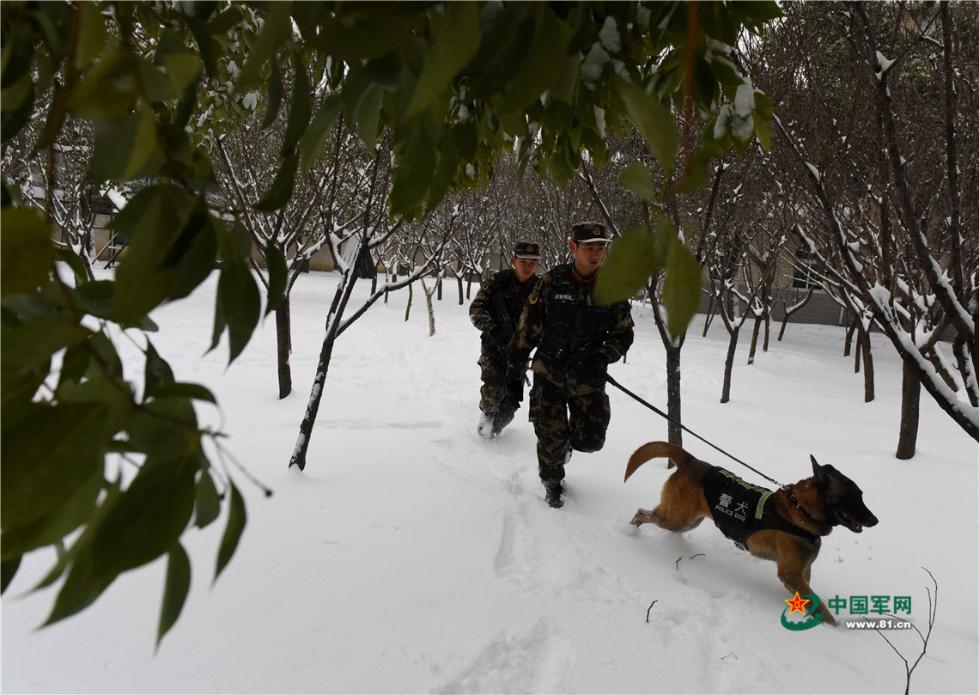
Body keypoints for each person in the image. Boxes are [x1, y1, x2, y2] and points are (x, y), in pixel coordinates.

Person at [507, 222, 634, 508]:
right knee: (549, 437)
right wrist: (515, 361)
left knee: (591, 440)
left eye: (601, 247)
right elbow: (529, 326)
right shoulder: (552, 282)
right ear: (572, 247)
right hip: (550, 372)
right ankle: (552, 483)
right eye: (589, 247)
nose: (596, 253)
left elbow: (624, 332)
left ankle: (567, 445)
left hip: (588, 377)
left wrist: (604, 355)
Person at [469, 240, 542, 438]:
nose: (527, 266)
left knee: (512, 401)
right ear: (514, 261)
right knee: (494, 387)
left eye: (532, 262)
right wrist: (494, 330)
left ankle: (496, 428)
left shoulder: (541, 289)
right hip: (493, 347)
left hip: (519, 352)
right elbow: (476, 310)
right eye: (523, 261)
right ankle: (487, 416)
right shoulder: (496, 282)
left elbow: (549, 320)